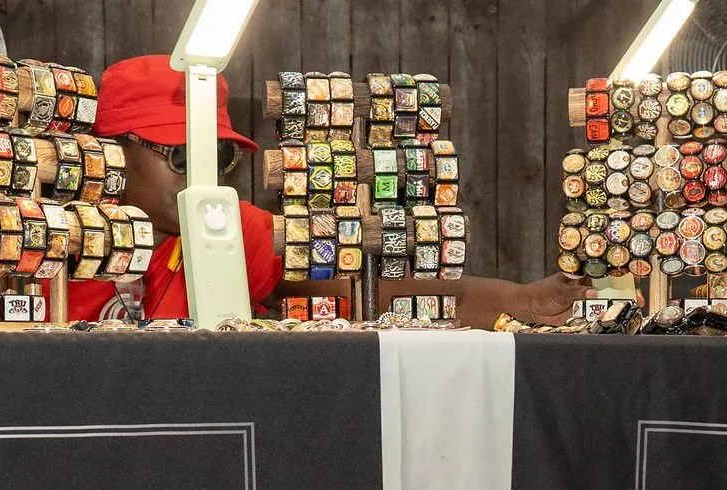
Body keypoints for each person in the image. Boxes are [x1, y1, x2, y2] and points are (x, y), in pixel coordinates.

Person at [67, 55, 589, 328]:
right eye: (181, 154)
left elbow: (370, 292)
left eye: (219, 155)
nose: (207, 175)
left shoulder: (229, 232)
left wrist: (522, 300)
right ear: (111, 151)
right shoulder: (46, 234)